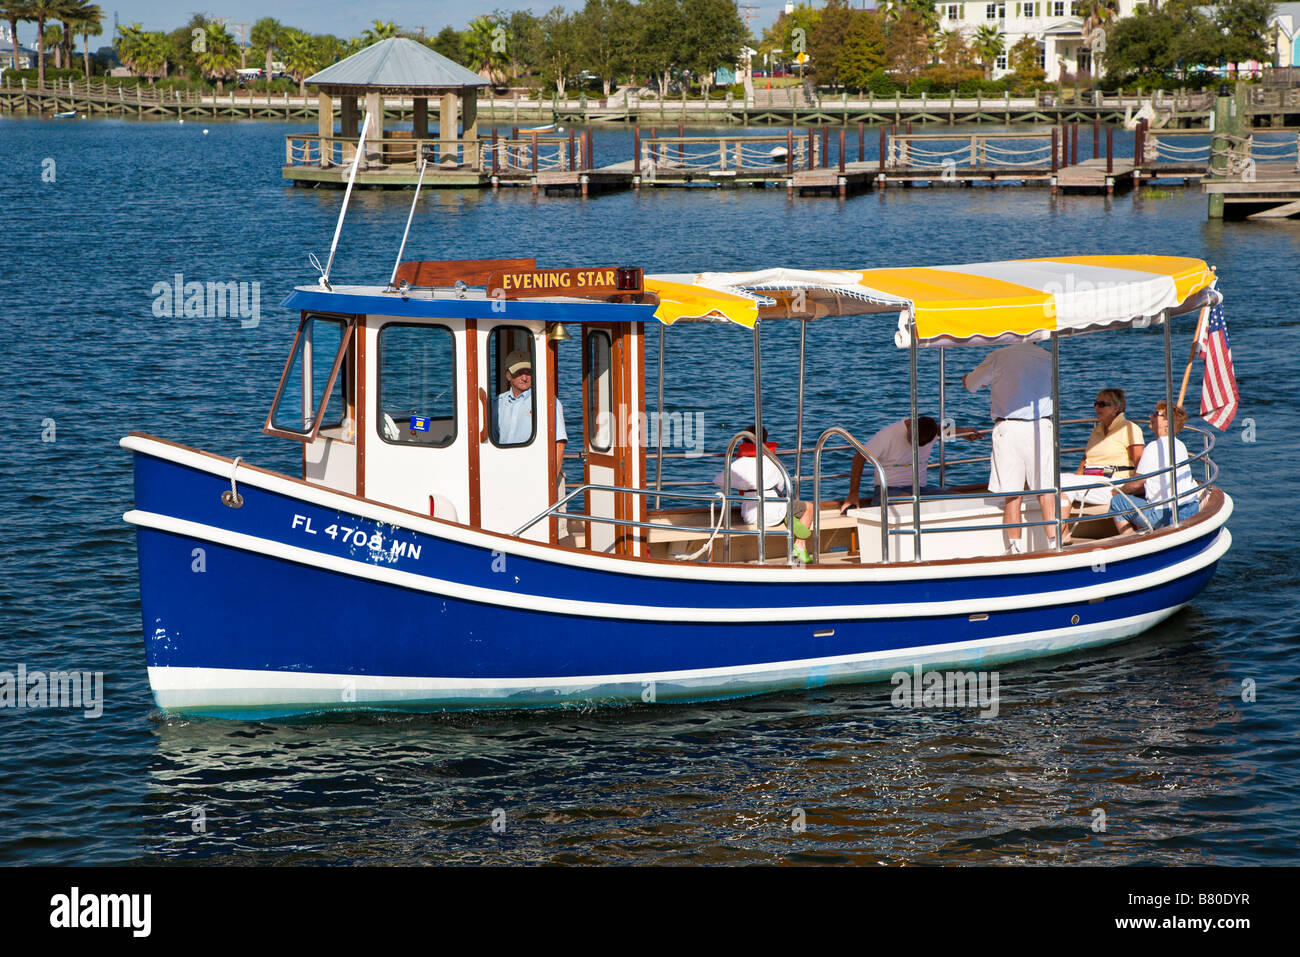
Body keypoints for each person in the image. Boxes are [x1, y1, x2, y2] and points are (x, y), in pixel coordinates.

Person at [963, 341, 1061, 552]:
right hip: (1041, 426)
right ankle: (1054, 542)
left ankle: (1015, 546)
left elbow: (971, 384)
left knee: (1012, 493)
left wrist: (970, 380)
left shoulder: (999, 356)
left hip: (1009, 428)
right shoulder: (1047, 356)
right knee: (1046, 490)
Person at [838, 415, 981, 513]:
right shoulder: (889, 435)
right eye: (913, 441)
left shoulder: (930, 431)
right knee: (911, 502)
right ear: (911, 426)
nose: (915, 446)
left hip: (919, 490)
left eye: (920, 444)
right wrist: (853, 493)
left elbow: (940, 428)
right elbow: (859, 457)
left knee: (959, 499)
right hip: (888, 491)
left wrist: (964, 433)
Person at [715, 428, 815, 563]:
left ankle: (788, 519)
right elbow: (781, 486)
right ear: (765, 441)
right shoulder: (772, 461)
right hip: (775, 512)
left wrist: (743, 485)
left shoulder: (737, 465)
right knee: (809, 507)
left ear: (743, 442)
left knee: (775, 506)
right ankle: (800, 544)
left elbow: (718, 481)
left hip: (750, 516)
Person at [496, 350, 569, 528]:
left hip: (539, 476)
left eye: (528, 372)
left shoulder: (547, 401)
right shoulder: (497, 402)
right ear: (508, 375)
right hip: (508, 475)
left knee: (547, 529)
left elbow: (559, 443)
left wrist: (550, 480)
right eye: (519, 373)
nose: (524, 377)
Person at [1105, 402, 1199, 535]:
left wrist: (1119, 491)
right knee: (1141, 498)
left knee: (1117, 502)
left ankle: (1131, 540)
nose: (1151, 416)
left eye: (1157, 414)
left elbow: (1136, 483)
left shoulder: (1154, 447)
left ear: (1167, 423)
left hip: (1165, 515)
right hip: (1190, 507)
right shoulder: (1180, 445)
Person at [1057, 388, 1144, 523]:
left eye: (1102, 404)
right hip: (1091, 481)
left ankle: (1060, 535)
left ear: (1116, 408)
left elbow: (1140, 464)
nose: (1097, 407)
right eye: (1095, 403)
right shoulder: (1097, 431)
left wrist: (1131, 489)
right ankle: (1057, 531)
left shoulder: (1130, 429)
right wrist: (1076, 478)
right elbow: (1085, 461)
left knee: (1063, 482)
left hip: (1113, 483)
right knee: (1054, 479)